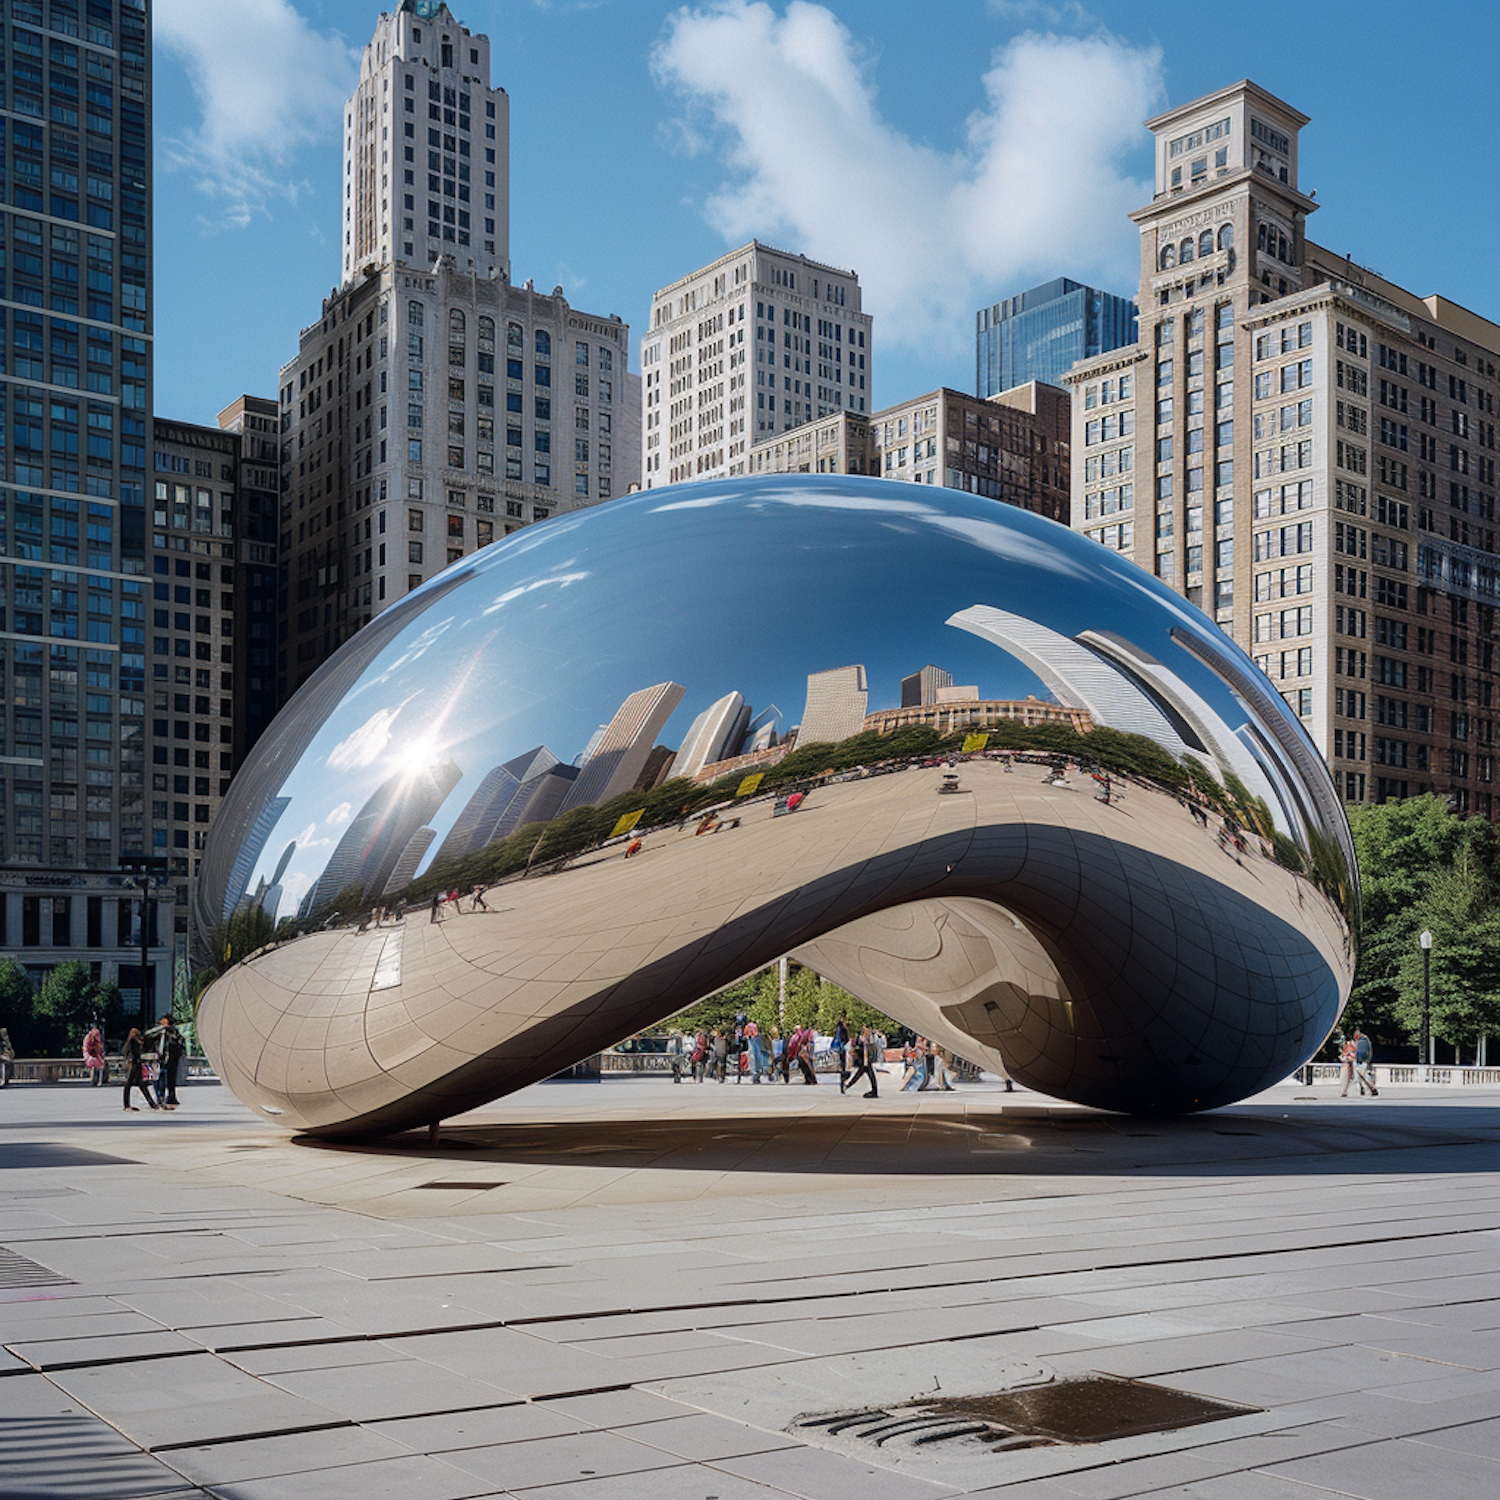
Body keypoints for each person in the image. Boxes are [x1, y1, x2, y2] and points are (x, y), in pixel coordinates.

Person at [150, 1014, 186, 1109]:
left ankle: (171, 1096)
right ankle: (160, 1096)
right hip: (162, 1058)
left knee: (170, 1078)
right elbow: (150, 1037)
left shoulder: (173, 1032)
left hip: (171, 1058)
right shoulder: (158, 1031)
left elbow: (179, 1041)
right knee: (160, 1078)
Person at [120, 1027, 158, 1112]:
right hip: (134, 1065)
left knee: (141, 1085)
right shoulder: (132, 1042)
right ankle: (127, 1105)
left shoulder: (136, 1041)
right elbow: (127, 1052)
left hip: (137, 1065)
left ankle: (152, 1104)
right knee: (130, 1085)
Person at [846, 1025, 879, 1098]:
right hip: (862, 1062)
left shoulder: (868, 1040)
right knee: (857, 1076)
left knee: (872, 1077)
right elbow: (854, 1050)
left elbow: (871, 1049)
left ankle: (874, 1091)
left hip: (867, 1062)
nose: (869, 1033)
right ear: (864, 1032)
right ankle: (847, 1086)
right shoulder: (859, 1040)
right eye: (867, 1032)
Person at [1351, 1028, 1379, 1096]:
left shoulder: (1362, 1042)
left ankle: (1371, 1088)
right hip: (1365, 1060)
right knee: (1363, 1076)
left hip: (1362, 1061)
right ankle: (1365, 1088)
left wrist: (1358, 1060)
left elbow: (1361, 1052)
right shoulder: (1366, 1041)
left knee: (1363, 1075)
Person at [833, 1013, 850, 1092]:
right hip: (842, 1049)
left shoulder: (838, 1028)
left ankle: (842, 1083)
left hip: (840, 1049)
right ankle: (843, 1083)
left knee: (843, 1067)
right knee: (843, 1067)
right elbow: (844, 1039)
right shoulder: (842, 1028)